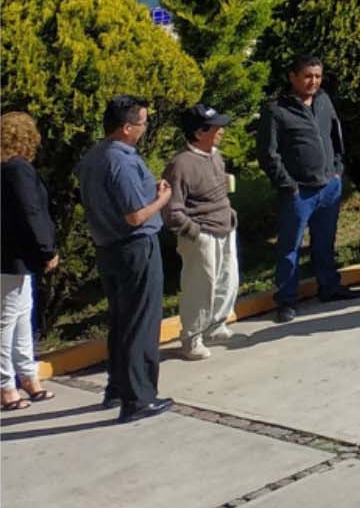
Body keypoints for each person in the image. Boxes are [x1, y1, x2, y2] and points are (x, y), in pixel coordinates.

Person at [77, 96, 172, 421]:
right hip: (134, 247)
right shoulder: (121, 161)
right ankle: (139, 398)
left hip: (108, 248)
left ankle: (117, 388)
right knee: (141, 323)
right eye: (143, 123)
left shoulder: (94, 156)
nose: (146, 128)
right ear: (127, 127)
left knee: (121, 320)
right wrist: (162, 199)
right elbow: (135, 216)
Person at [256, 56, 356, 314]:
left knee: (325, 241)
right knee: (290, 246)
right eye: (308, 76)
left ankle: (329, 287)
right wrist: (288, 184)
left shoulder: (324, 101)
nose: (313, 81)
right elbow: (269, 153)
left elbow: (336, 136)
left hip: (328, 185)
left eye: (318, 76)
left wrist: (337, 170)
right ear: (293, 77)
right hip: (298, 192)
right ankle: (287, 300)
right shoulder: (276, 109)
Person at [164, 105, 239, 361]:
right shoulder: (181, 164)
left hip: (225, 227)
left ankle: (216, 325)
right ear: (199, 132)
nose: (221, 131)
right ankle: (192, 337)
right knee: (200, 287)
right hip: (202, 234)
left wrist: (229, 216)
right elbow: (172, 210)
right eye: (215, 127)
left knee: (227, 280)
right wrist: (195, 232)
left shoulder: (216, 155)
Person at [1, 113, 57, 410]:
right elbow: (30, 212)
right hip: (13, 257)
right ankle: (6, 386)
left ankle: (27, 376)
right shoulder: (17, 169)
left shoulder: (6, 168)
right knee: (8, 320)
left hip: (13, 257)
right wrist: (46, 250)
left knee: (22, 315)